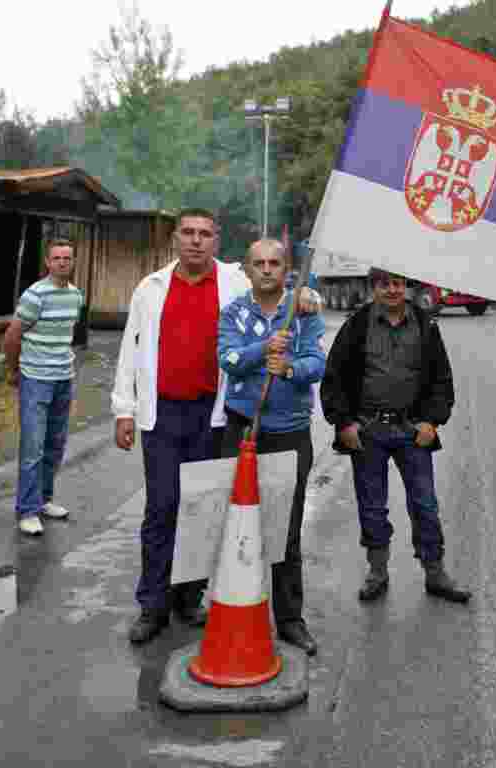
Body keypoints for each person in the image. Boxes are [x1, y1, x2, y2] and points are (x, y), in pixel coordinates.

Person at [111, 207, 321, 645]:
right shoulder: (150, 288)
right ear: (175, 238)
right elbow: (131, 348)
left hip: (215, 416)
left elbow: (278, 289)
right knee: (162, 508)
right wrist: (123, 409)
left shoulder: (234, 282)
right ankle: (153, 606)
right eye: (188, 232)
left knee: (205, 511)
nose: (195, 240)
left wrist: (308, 296)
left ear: (216, 240)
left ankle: (188, 598)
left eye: (204, 234)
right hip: (163, 414)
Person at [320, 268, 471, 604]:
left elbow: (442, 380)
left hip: (412, 432)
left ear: (406, 287)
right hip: (368, 432)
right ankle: (377, 572)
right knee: (372, 507)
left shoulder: (426, 325)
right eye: (385, 284)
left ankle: (435, 572)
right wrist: (344, 424)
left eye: (398, 284)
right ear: (374, 288)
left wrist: (431, 422)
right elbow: (334, 379)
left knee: (425, 504)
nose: (392, 290)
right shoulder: (357, 325)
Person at [218, 239, 326, 656]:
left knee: (286, 529)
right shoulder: (233, 312)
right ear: (247, 269)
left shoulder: (304, 311)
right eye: (259, 263)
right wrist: (263, 349)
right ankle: (230, 610)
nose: (266, 269)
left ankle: (290, 619)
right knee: (234, 524)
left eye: (274, 263)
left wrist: (291, 369)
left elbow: (316, 363)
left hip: (290, 434)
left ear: (286, 269)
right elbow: (228, 360)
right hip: (242, 430)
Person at [3, 239, 84, 536]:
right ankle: (27, 510)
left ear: (73, 262)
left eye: (67, 258)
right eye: (57, 258)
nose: (62, 262)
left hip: (63, 377)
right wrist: (13, 370)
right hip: (35, 378)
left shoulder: (76, 296)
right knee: (33, 447)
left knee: (55, 443)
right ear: (48, 262)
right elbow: (12, 336)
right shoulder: (35, 295)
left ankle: (44, 499)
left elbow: (67, 335)